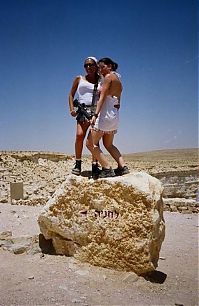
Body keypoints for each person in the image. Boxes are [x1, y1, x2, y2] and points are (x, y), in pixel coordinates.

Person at [90, 57, 129, 178]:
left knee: (90, 143)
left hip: (104, 115)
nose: (100, 70)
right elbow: (119, 98)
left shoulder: (108, 78)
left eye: (103, 67)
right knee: (109, 145)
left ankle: (106, 168)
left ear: (110, 66)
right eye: (99, 67)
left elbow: (102, 98)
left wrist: (95, 115)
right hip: (114, 115)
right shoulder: (118, 78)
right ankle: (123, 167)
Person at [68, 56, 101, 176]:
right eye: (86, 65)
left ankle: (95, 165)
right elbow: (71, 95)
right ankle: (78, 163)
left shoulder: (100, 80)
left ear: (96, 66)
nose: (88, 67)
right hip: (82, 111)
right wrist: (72, 109)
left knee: (94, 140)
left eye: (91, 65)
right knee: (79, 136)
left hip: (96, 112)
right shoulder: (79, 79)